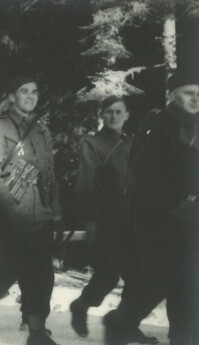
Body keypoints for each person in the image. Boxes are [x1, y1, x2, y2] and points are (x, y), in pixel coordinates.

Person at [0, 76, 62, 345]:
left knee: (42, 274)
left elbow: (49, 175)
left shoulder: (42, 132)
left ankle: (37, 333)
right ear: (12, 96)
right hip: (9, 211)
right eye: (23, 91)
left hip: (39, 211)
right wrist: (12, 205)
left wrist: (55, 209)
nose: (30, 96)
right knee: (8, 268)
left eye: (34, 92)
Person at [103, 71, 199, 345]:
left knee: (188, 286)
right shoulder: (157, 123)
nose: (195, 98)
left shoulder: (196, 125)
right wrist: (174, 205)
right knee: (157, 284)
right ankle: (119, 324)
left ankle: (182, 338)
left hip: (190, 221)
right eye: (188, 92)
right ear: (172, 95)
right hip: (158, 221)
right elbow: (142, 173)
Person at [68, 96, 157, 343]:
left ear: (127, 115)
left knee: (137, 275)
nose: (114, 117)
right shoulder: (93, 143)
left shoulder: (131, 143)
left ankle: (127, 323)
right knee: (107, 275)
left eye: (119, 112)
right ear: (102, 116)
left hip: (133, 219)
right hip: (107, 219)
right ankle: (81, 305)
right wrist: (90, 221)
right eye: (109, 112)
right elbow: (86, 184)